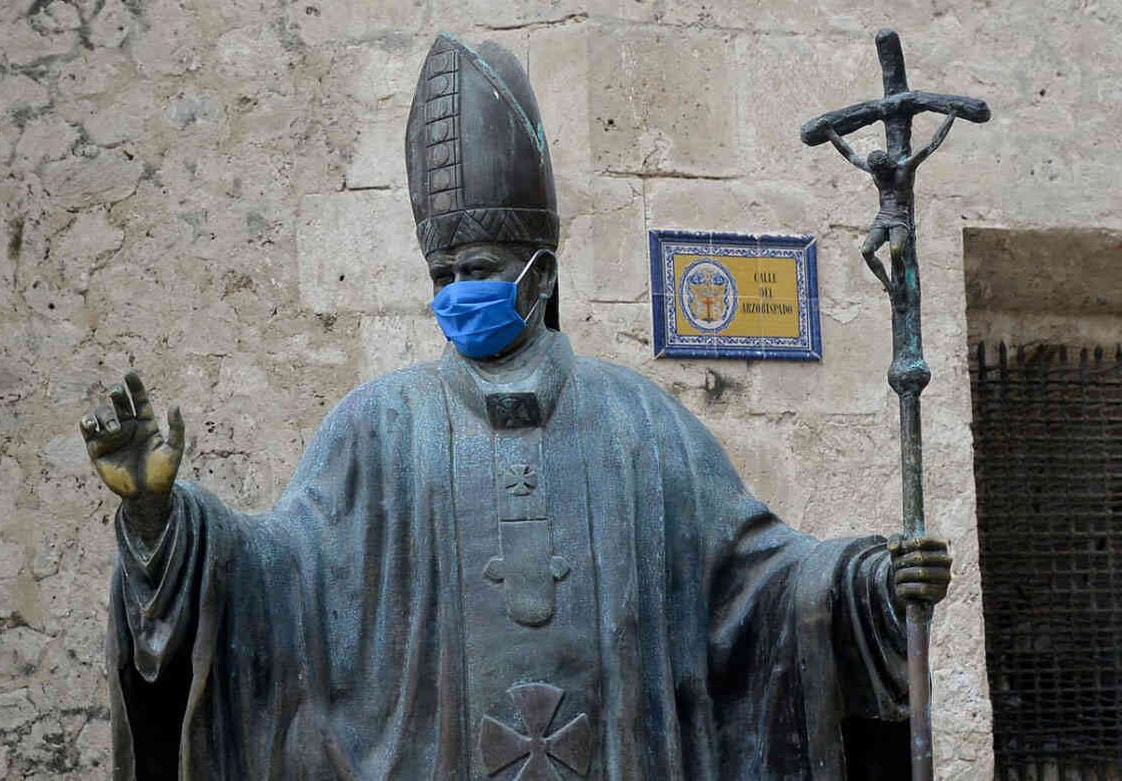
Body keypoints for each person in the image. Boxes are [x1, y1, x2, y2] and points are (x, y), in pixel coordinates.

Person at [81, 34, 952, 780]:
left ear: (540, 273)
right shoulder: (376, 429)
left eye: (483, 268)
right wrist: (164, 525)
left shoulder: (641, 424)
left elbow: (756, 581)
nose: (461, 292)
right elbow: (278, 579)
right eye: (444, 277)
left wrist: (870, 583)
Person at [822, 112, 957, 293]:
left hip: (900, 218)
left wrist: (951, 115)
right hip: (883, 216)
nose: (878, 176)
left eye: (881, 173)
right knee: (867, 251)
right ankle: (889, 285)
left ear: (888, 167)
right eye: (876, 173)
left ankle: (900, 281)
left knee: (895, 250)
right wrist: (830, 132)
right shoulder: (874, 170)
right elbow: (849, 153)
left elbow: (931, 145)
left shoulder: (905, 168)